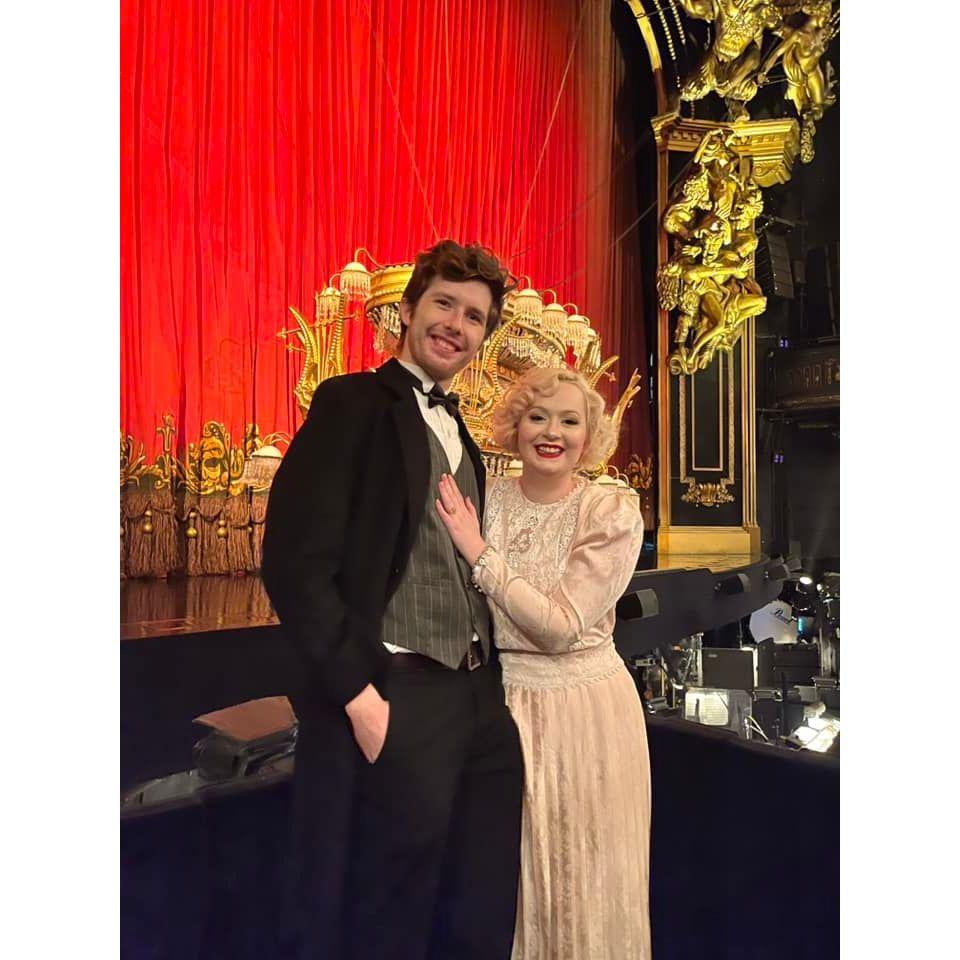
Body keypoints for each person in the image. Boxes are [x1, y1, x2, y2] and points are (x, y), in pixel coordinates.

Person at [262, 240, 524, 960]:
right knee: (390, 908)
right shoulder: (352, 402)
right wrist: (358, 695)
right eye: (444, 303)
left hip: (478, 697)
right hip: (399, 690)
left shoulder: (463, 432)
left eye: (475, 316)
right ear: (406, 311)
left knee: (476, 900)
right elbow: (293, 561)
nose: (457, 325)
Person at [436, 366, 652, 959]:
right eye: (537, 417)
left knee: (584, 876)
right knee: (520, 881)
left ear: (590, 434)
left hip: (586, 711)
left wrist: (479, 552)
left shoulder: (611, 510)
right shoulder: (488, 497)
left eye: (569, 420)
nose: (551, 432)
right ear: (514, 426)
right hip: (506, 707)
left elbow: (559, 628)